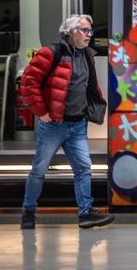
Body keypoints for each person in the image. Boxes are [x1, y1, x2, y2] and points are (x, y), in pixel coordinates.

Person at [18, 14, 113, 230]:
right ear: (69, 33)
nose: (89, 35)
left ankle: (86, 213)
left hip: (78, 124)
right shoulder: (51, 53)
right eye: (84, 31)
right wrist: (40, 111)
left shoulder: (88, 55)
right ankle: (28, 213)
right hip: (54, 125)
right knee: (39, 170)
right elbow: (28, 82)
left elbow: (88, 86)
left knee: (83, 169)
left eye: (91, 31)